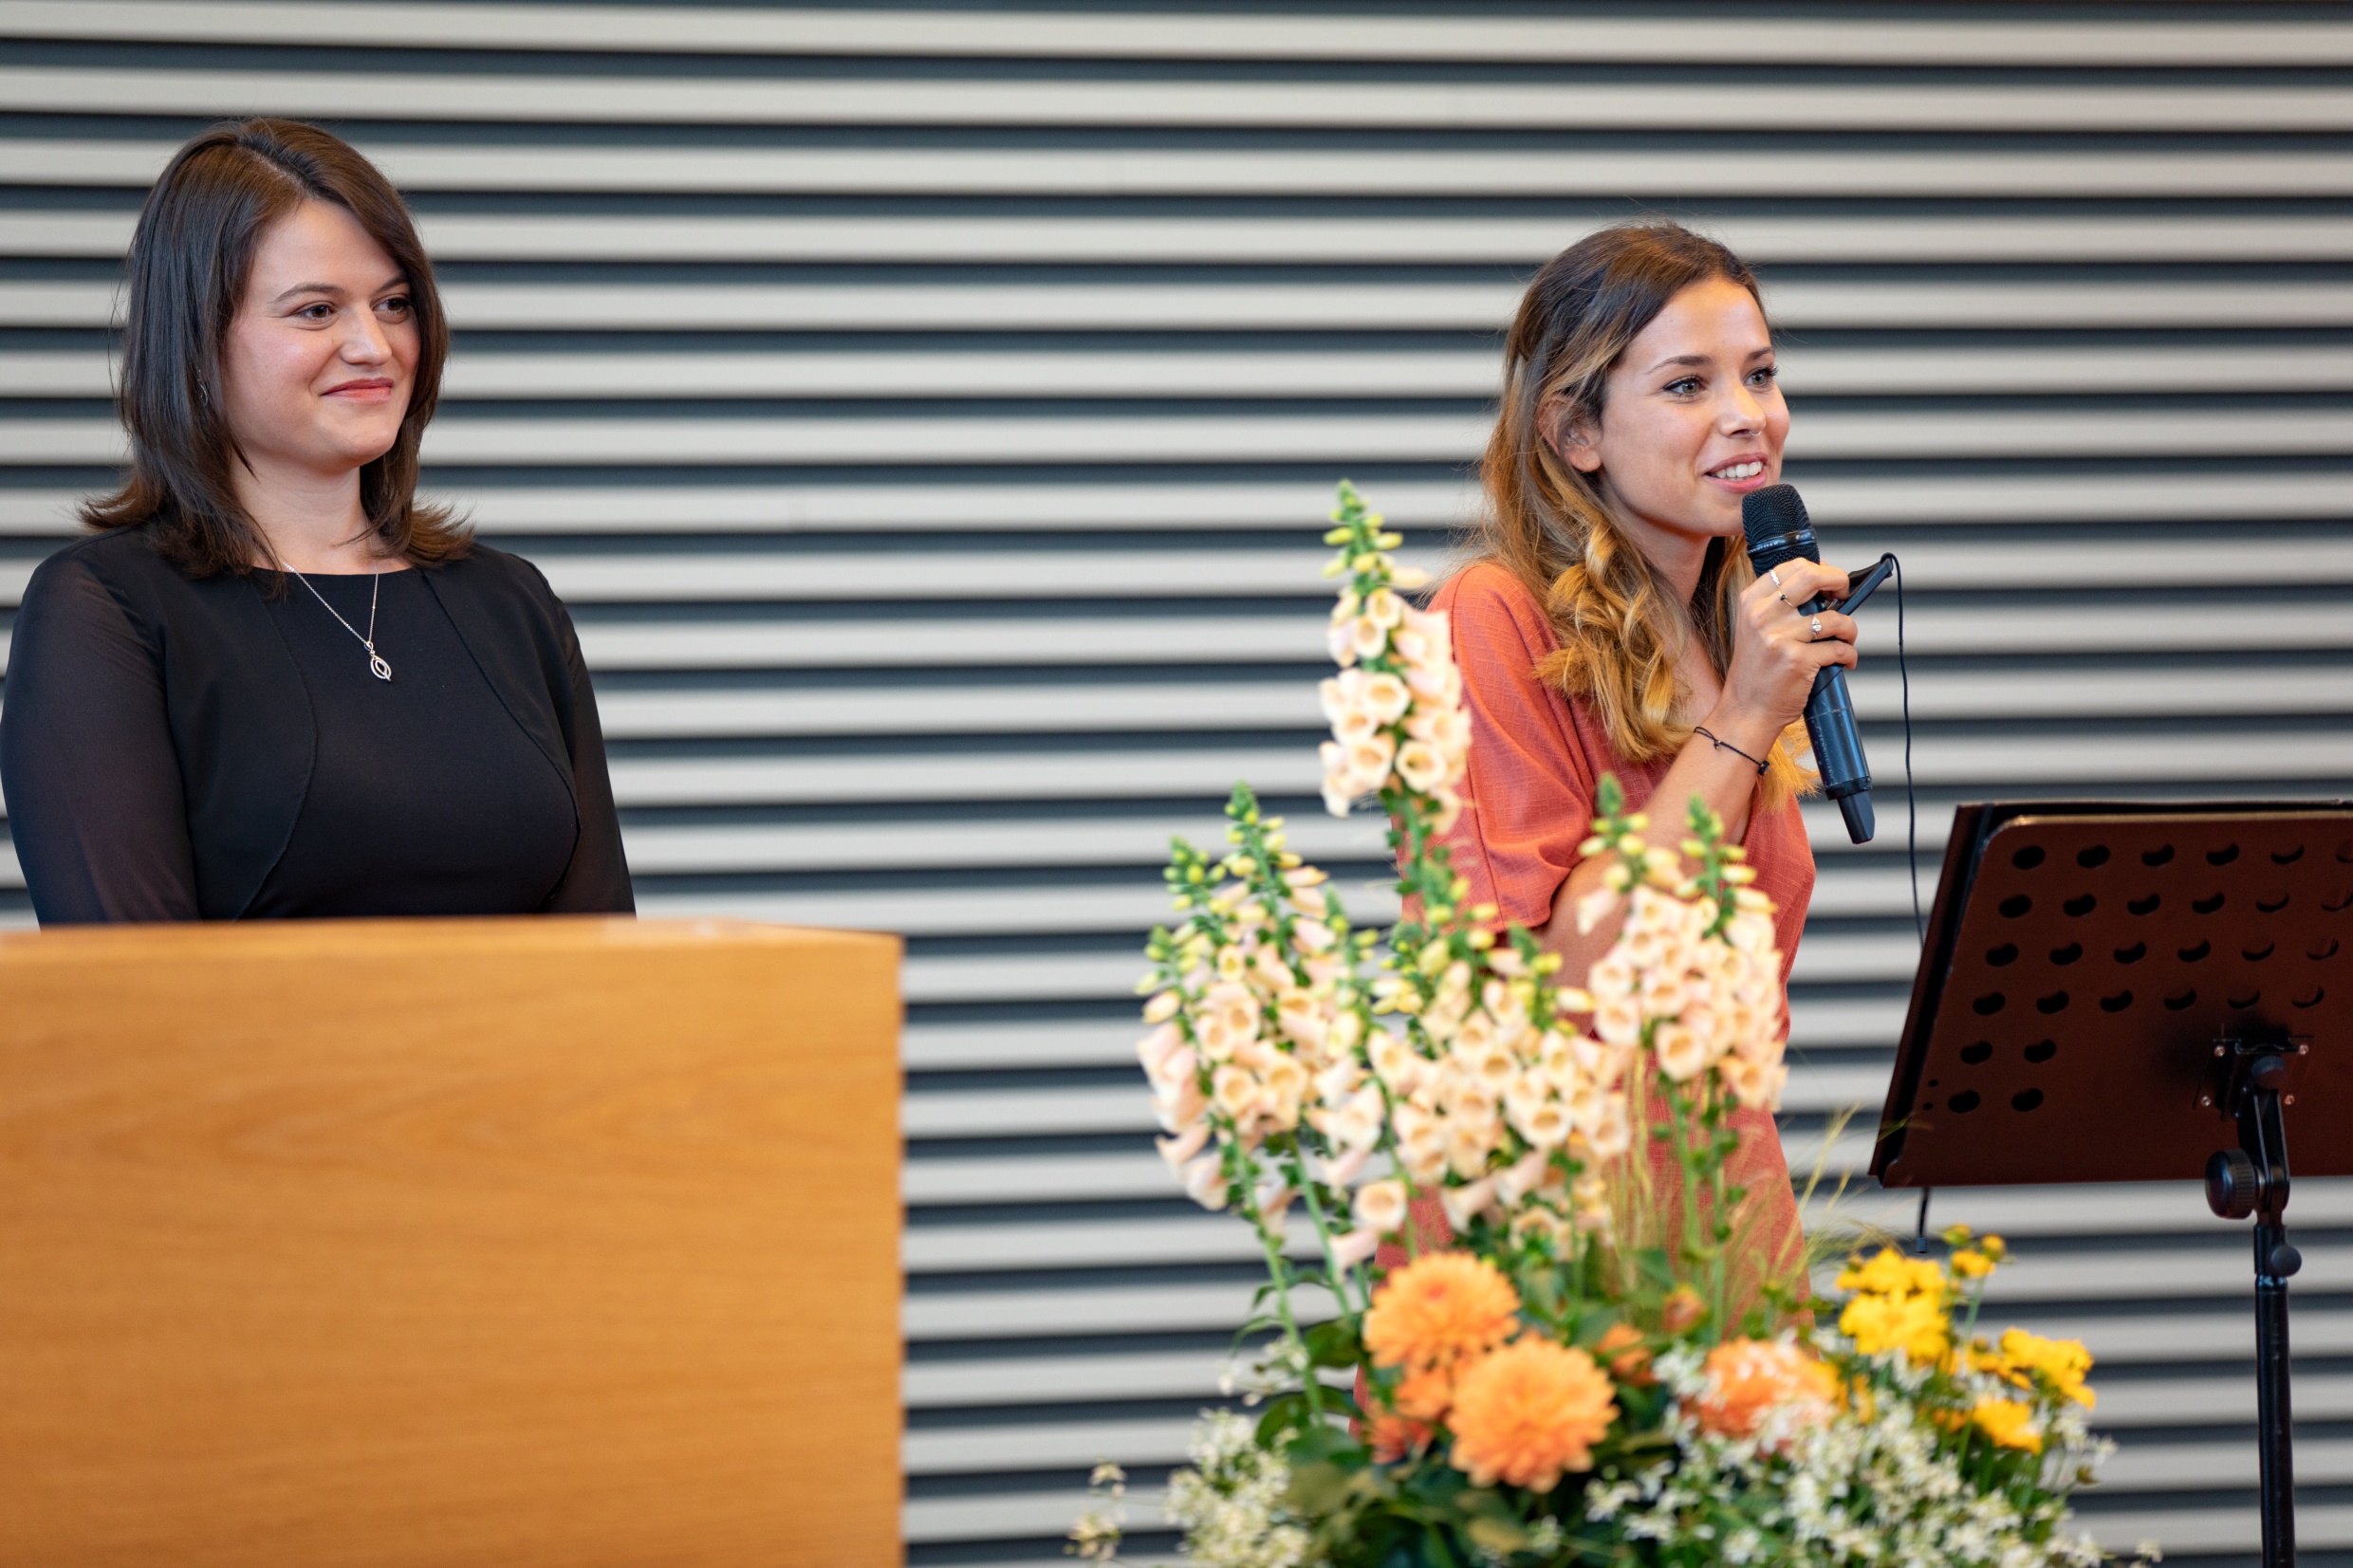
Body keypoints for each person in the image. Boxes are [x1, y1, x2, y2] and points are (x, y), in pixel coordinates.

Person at [1, 120, 632, 924]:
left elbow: (612, 964)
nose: (373, 345)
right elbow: (138, 1004)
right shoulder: (104, 614)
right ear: (198, 340)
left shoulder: (513, 604)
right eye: (316, 311)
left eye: (394, 303)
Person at [1430, 219, 1859, 1281]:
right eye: (1686, 386)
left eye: (1759, 376)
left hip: (1725, 1217)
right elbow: (1567, 979)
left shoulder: (1726, 636)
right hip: (1556, 1243)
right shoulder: (1490, 619)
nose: (1747, 418)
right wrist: (1746, 721)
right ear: (1574, 431)